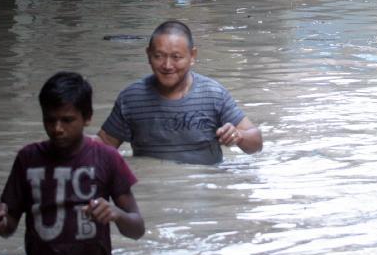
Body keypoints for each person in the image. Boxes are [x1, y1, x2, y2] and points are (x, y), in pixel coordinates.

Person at [0, 72, 144, 255]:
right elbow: (9, 225)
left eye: (67, 120)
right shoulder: (27, 158)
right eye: (50, 120)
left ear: (87, 118)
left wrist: (116, 214)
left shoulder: (107, 158)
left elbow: (137, 229)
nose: (57, 128)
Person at [99, 20, 263, 165]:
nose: (167, 65)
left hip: (205, 189)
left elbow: (256, 144)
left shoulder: (213, 94)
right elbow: (103, 146)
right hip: (153, 190)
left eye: (176, 57)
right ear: (148, 55)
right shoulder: (132, 98)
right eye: (159, 56)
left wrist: (238, 135)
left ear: (192, 56)